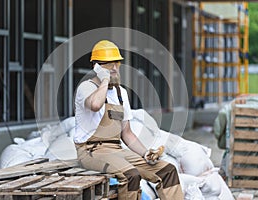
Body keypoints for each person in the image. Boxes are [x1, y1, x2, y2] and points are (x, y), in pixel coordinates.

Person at [74, 40, 183, 200]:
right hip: (91, 151)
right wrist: (104, 80)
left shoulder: (121, 93)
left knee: (167, 171)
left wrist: (145, 153)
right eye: (109, 65)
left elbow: (127, 133)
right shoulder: (86, 88)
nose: (114, 69)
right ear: (96, 67)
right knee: (131, 175)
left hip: (117, 150)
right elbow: (96, 105)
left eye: (117, 64)